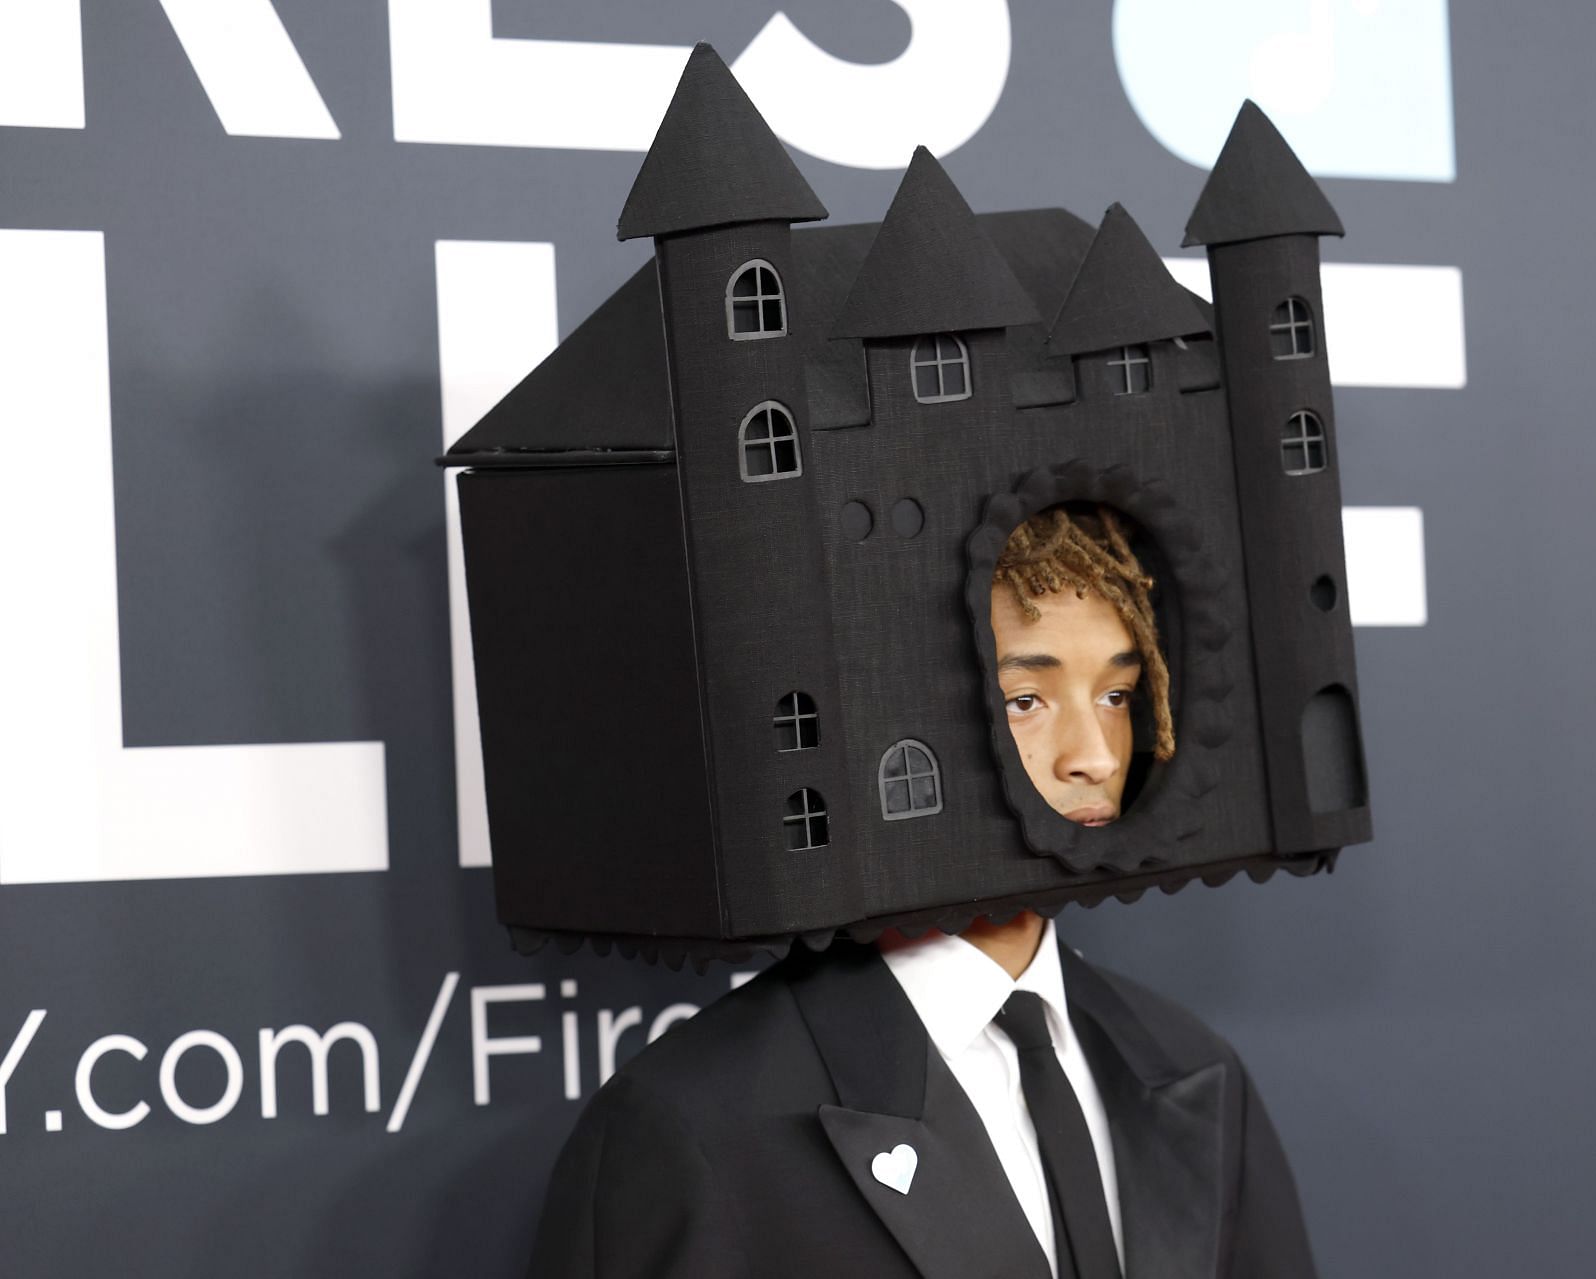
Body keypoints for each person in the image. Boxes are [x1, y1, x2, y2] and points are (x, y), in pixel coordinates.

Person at [524, 505, 1319, 1279]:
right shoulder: (692, 1128)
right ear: (896, 718)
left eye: (1115, 695)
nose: (1096, 758)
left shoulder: (1194, 1068)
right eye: (1027, 701)